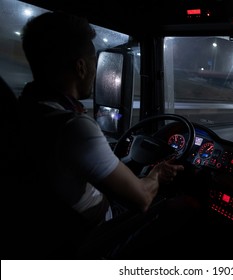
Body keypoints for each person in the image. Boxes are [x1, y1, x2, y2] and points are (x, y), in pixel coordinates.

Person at [14, 11, 187, 259]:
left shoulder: (24, 109)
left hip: (44, 231)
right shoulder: (73, 126)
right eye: (95, 61)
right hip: (91, 235)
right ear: (81, 67)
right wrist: (156, 174)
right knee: (178, 207)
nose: (97, 71)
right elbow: (142, 199)